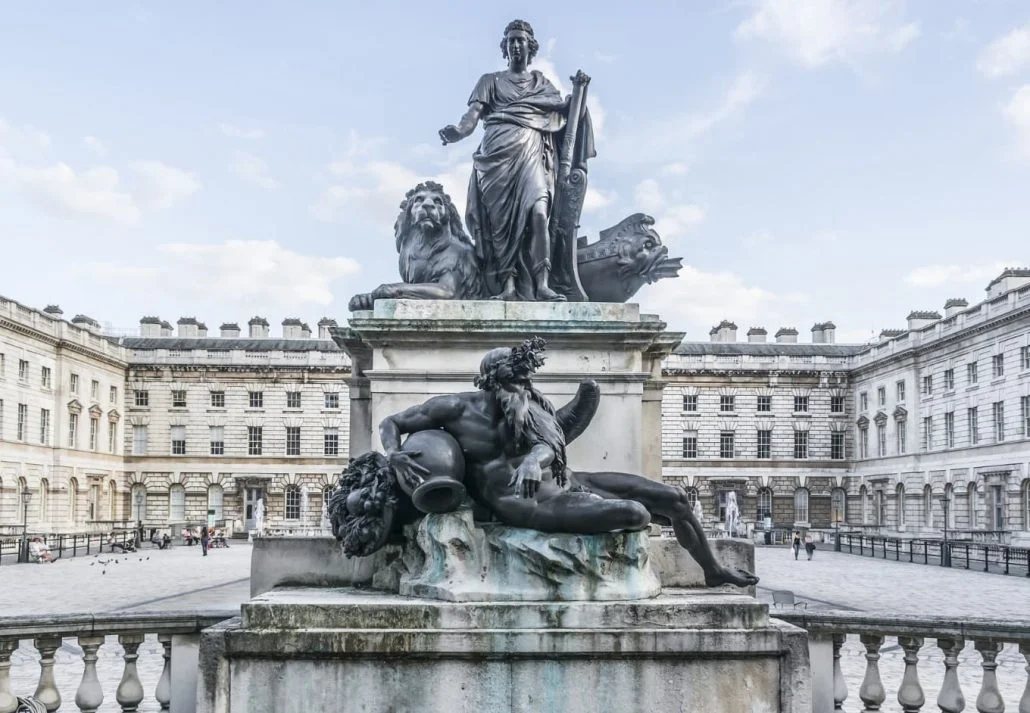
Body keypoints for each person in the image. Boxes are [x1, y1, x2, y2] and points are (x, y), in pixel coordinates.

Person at [380, 338, 758, 588]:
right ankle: (636, 518)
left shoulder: (527, 408)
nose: (526, 388)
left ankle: (713, 570)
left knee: (675, 498)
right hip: (529, 505)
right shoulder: (455, 408)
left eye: (527, 382)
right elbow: (392, 422)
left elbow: (549, 443)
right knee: (635, 514)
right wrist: (394, 454)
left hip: (567, 480)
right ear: (493, 381)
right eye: (517, 381)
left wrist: (533, 459)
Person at [439, 19, 593, 302]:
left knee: (538, 214)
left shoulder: (540, 83)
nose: (515, 44)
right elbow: (472, 116)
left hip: (532, 152)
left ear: (530, 47)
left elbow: (564, 110)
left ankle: (543, 283)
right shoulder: (489, 81)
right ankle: (507, 287)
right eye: (511, 40)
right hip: (496, 157)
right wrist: (458, 132)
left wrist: (578, 93)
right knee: (501, 226)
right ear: (505, 47)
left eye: (521, 40)